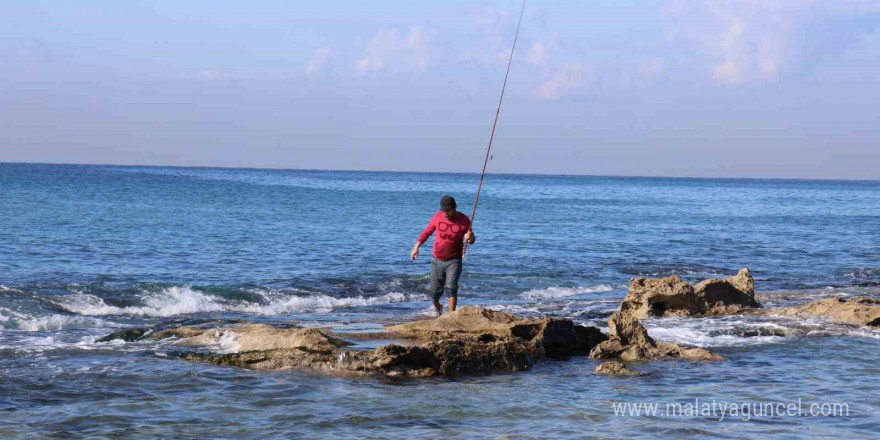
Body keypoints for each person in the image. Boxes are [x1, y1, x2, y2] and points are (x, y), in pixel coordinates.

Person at [410, 195, 475, 316]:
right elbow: (426, 232)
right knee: (434, 292)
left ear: (455, 207)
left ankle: (451, 316)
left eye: (448, 210)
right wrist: (416, 247)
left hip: (454, 260)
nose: (446, 213)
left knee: (451, 287)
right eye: (444, 210)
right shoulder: (437, 217)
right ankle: (438, 306)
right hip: (437, 259)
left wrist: (470, 238)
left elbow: (471, 240)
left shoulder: (464, 220)